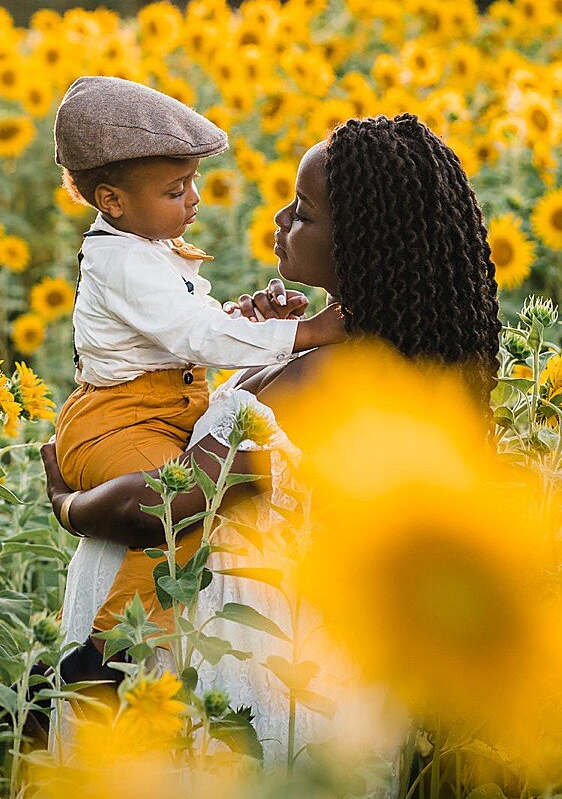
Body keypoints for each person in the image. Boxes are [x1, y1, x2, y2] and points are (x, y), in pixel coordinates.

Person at [42, 113, 503, 770]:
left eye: (305, 212)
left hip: (232, 684)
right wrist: (259, 340)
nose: (281, 219)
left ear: (364, 244)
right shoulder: (340, 355)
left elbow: (166, 507)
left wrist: (67, 501)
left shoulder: (326, 379)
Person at [50, 75, 348, 661]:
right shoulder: (128, 259)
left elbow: (185, 326)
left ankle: (105, 650)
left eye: (191, 183)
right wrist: (301, 332)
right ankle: (109, 653)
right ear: (112, 201)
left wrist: (63, 501)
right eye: (176, 189)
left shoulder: (142, 246)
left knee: (179, 512)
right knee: (176, 518)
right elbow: (192, 335)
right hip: (123, 418)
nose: (193, 200)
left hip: (155, 412)